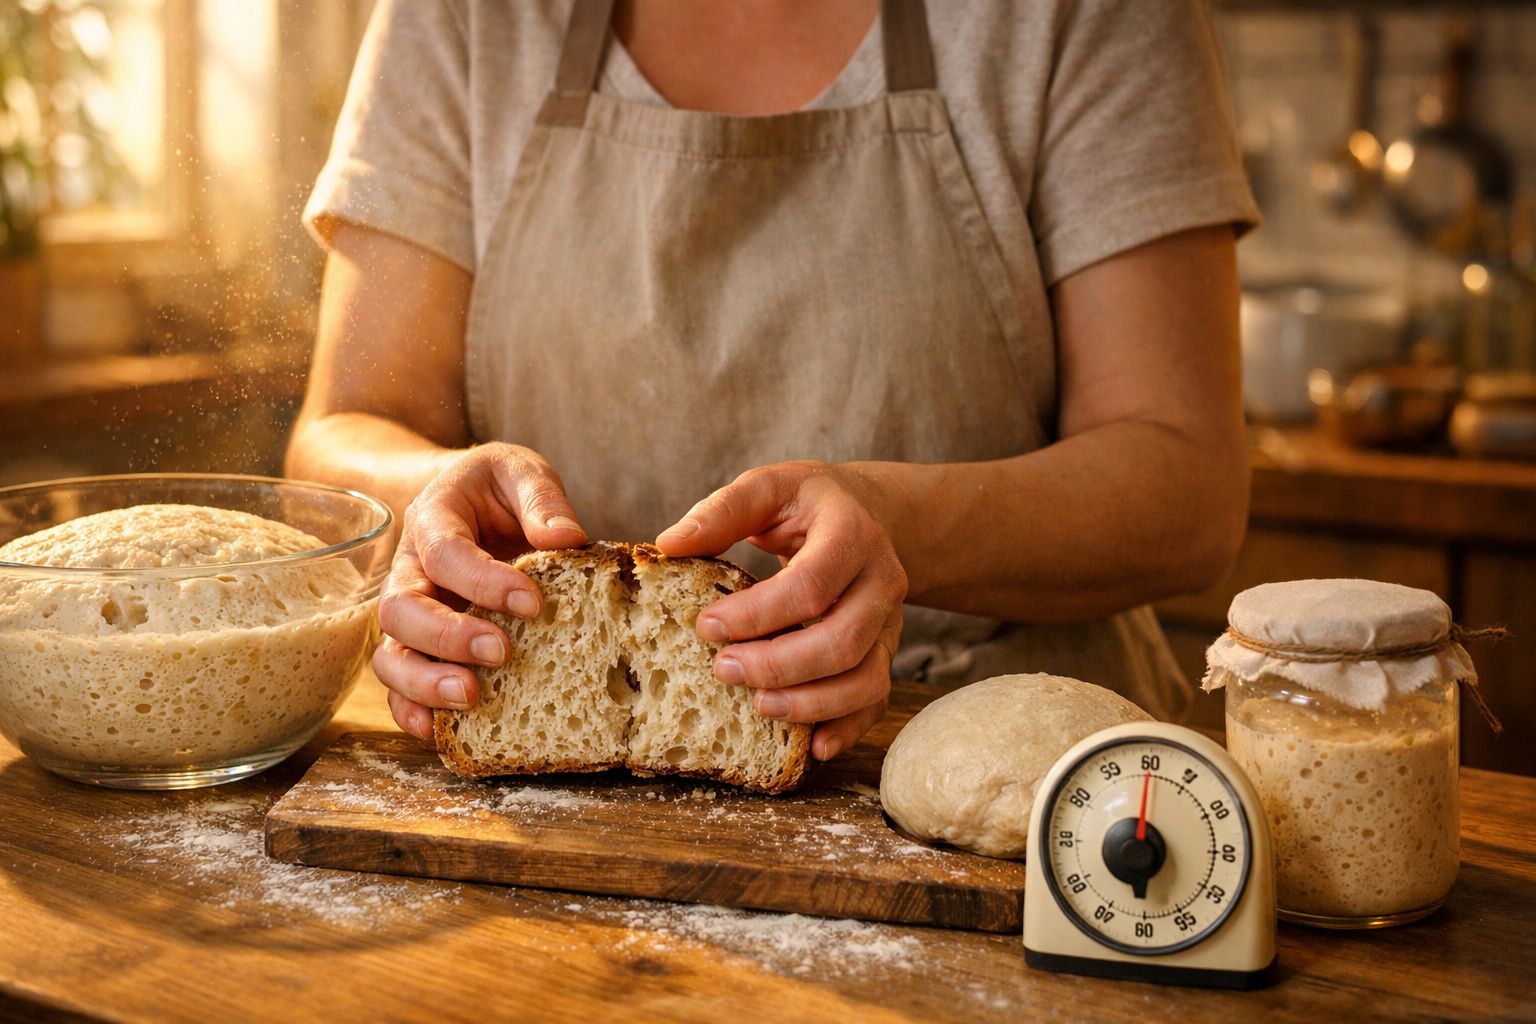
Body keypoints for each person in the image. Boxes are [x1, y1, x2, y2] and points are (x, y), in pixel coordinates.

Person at [287, 0, 1259, 763]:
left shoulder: (1076, 12)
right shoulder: (462, 15)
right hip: (536, 806)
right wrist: (425, 509)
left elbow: (1188, 481)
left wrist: (897, 526)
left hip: (1032, 794)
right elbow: (344, 431)